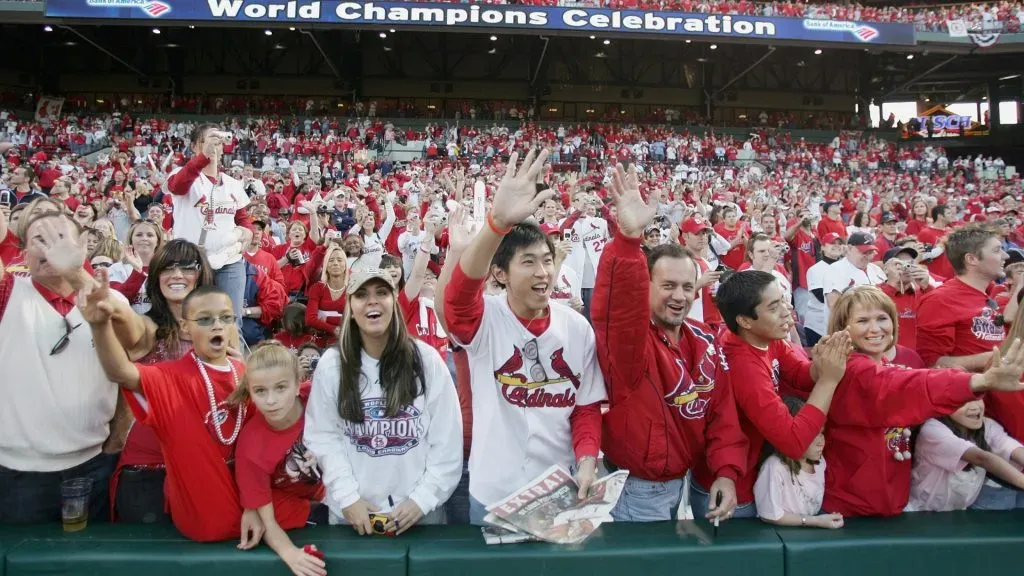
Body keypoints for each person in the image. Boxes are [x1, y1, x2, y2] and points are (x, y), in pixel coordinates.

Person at [437, 149, 606, 525]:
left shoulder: (576, 327)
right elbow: (457, 301)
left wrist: (588, 460)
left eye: (546, 260)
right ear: (500, 274)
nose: (543, 271)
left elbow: (586, 408)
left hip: (559, 490)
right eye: (528, 262)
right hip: (495, 496)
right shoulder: (487, 321)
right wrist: (495, 224)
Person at [785, 286, 1024, 517]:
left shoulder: (882, 365)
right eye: (862, 321)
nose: (875, 328)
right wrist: (977, 382)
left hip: (886, 501)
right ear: (842, 328)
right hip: (850, 507)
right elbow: (906, 385)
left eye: (882, 318)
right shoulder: (852, 368)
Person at [591, 162, 742, 523]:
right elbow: (615, 312)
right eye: (668, 286)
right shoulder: (632, 343)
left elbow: (721, 412)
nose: (679, 296)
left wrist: (726, 470)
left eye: (688, 287)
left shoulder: (704, 339)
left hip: (686, 481)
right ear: (646, 287)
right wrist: (628, 240)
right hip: (640, 491)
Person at [83, 283, 264, 543]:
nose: (217, 325)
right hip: (197, 521)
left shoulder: (247, 376)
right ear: (184, 327)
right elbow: (120, 372)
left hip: (249, 516)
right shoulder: (171, 376)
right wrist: (100, 326)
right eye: (204, 319)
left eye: (226, 318)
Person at [305, 266, 462, 534]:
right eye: (362, 294)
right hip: (353, 517)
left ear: (395, 300)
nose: (372, 301)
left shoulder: (426, 360)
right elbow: (323, 437)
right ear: (350, 306)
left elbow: (447, 441)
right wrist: (348, 498)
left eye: (382, 292)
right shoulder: (332, 365)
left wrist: (421, 500)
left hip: (420, 517)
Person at [0, 212, 120, 523]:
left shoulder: (111, 298)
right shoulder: (7, 292)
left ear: (82, 246)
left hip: (95, 464)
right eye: (38, 241)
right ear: (24, 255)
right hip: (18, 473)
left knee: (90, 565)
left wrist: (117, 438)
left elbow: (135, 358)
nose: (48, 249)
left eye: (58, 238)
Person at [710, 270, 850, 517]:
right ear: (745, 321)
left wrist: (821, 364)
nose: (788, 311)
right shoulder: (743, 366)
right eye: (774, 307)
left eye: (785, 300)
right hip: (736, 486)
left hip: (755, 471)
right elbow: (795, 442)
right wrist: (828, 380)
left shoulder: (765, 337)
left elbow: (799, 373)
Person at [233, 342, 327, 576]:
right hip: (296, 507)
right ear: (250, 392)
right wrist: (290, 554)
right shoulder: (251, 445)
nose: (271, 401)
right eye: (260, 391)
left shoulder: (316, 398)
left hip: (337, 488)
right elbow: (268, 522)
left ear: (298, 384)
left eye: (281, 388)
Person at [166, 124, 253, 321]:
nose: (215, 145)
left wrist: (247, 231)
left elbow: (241, 218)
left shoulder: (232, 183)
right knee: (189, 319)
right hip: (191, 261)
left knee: (230, 321)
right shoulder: (181, 173)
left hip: (228, 260)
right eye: (209, 140)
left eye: (219, 141)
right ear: (196, 146)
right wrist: (203, 158)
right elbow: (178, 187)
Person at [918, 224, 1008, 372]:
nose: (1006, 256)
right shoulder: (941, 300)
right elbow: (932, 363)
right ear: (971, 259)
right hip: (974, 393)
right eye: (997, 250)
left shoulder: (984, 294)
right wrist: (996, 358)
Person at [909, 399, 1024, 512]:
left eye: (978, 398)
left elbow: (1012, 448)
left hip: (955, 515)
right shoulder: (932, 430)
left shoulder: (987, 426)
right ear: (943, 404)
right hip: (921, 513)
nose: (975, 407)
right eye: (963, 402)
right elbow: (982, 458)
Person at [753, 396, 844, 530]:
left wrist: (827, 519)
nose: (820, 442)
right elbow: (770, 515)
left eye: (821, 433)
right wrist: (817, 521)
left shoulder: (819, 462)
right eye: (811, 435)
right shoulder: (774, 468)